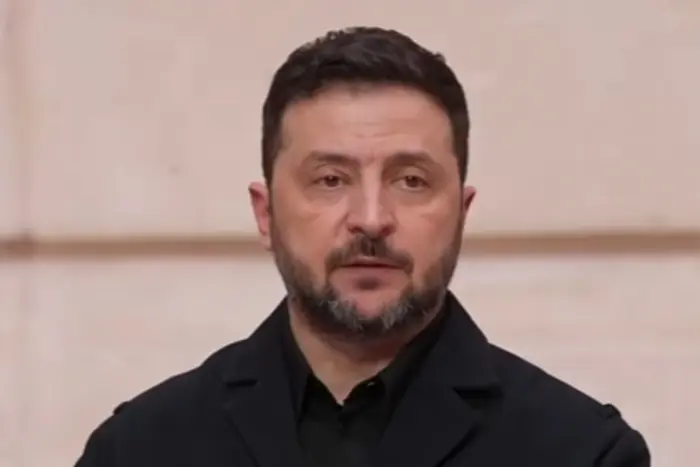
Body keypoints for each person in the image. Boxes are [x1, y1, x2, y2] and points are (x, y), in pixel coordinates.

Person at [74, 26, 650, 467]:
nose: (371, 219)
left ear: (461, 212)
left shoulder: (582, 453)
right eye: (330, 180)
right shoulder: (140, 449)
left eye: (411, 181)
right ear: (266, 213)